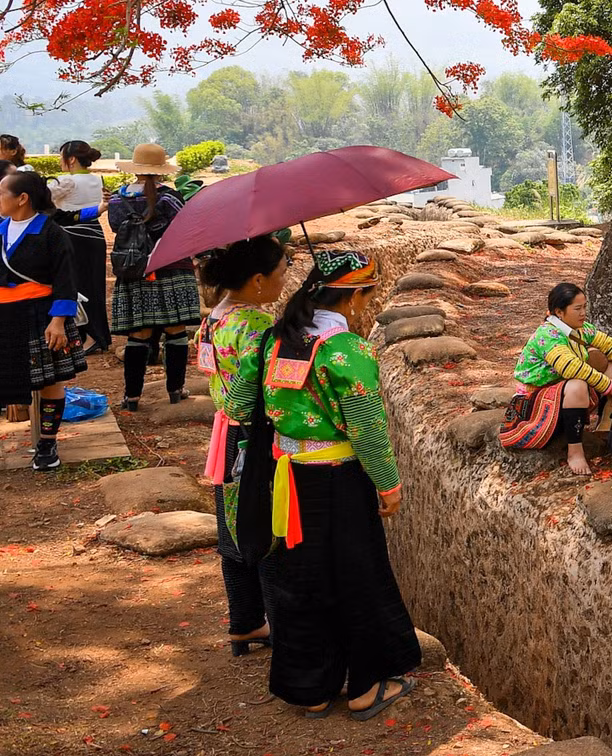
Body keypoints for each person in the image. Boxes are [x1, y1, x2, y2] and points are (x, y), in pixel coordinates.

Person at [224, 249, 420, 719]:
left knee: (301, 579)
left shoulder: (272, 339)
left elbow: (236, 407)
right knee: (358, 575)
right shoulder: (346, 350)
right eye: (367, 295)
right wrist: (388, 485)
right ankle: (366, 686)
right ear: (353, 297)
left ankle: (309, 687)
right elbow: (367, 429)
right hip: (341, 481)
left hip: (289, 479)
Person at [196, 233, 287, 656]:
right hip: (257, 435)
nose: (285, 279)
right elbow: (269, 383)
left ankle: (245, 623)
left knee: (234, 529)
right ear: (257, 280)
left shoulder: (215, 317)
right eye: (282, 271)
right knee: (269, 533)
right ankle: (285, 631)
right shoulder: (256, 324)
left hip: (227, 434)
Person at [506, 282, 612, 476]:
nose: (583, 313)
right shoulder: (547, 334)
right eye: (577, 309)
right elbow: (569, 367)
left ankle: (605, 424)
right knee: (577, 385)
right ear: (559, 312)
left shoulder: (582, 329)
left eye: (584, 307)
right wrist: (606, 386)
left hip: (563, 394)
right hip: (536, 400)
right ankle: (575, 451)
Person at [0, 170, 84, 473]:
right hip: (4, 316)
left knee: (50, 382)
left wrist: (58, 321)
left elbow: (66, 279)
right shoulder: (0, 229)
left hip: (40, 315)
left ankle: (47, 445)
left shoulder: (52, 233)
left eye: (1, 193)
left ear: (22, 198)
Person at [107, 144, 201, 411]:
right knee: (175, 329)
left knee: (138, 333)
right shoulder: (169, 198)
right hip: (172, 267)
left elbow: (115, 227)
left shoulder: (117, 199)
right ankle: (175, 389)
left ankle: (132, 397)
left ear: (135, 168)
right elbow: (186, 228)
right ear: (161, 170)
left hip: (134, 270)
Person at [50, 140, 111, 356]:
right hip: (95, 235)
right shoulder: (97, 179)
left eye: (61, 157)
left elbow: (42, 201)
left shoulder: (66, 181)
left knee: (73, 285)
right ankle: (97, 335)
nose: (60, 161)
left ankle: (87, 336)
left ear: (72, 159)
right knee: (94, 285)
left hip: (72, 236)